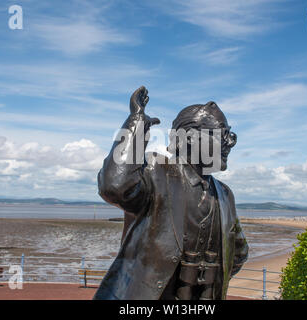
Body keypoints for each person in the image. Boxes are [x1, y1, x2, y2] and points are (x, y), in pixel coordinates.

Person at [93, 86, 248, 300]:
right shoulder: (156, 172)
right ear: (190, 137)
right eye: (223, 134)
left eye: (231, 135)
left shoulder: (224, 194)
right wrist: (136, 125)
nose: (230, 143)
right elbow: (114, 186)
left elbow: (238, 252)